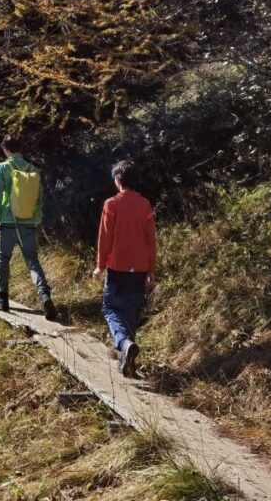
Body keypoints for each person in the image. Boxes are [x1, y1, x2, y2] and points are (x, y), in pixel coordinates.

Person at [93, 160, 157, 378]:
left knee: (110, 309)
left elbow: (105, 238)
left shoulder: (111, 204)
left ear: (118, 180)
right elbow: (151, 239)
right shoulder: (145, 204)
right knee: (130, 311)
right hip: (139, 267)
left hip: (117, 266)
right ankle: (127, 363)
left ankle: (123, 342)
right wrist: (151, 269)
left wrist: (100, 266)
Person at [0, 135, 58, 320]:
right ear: (21, 149)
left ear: (6, 150)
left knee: (3, 258)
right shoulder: (33, 169)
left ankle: (2, 299)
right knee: (32, 260)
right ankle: (45, 295)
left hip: (8, 222)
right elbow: (40, 199)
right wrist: (36, 219)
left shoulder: (2, 168)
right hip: (29, 222)